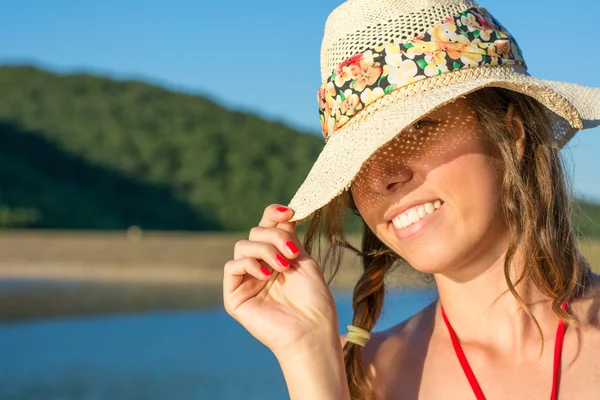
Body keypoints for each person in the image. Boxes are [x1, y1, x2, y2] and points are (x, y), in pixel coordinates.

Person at [223, 0, 600, 399]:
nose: (386, 176)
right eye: (361, 159)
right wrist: (306, 353)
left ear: (512, 133)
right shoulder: (362, 379)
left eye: (420, 127)